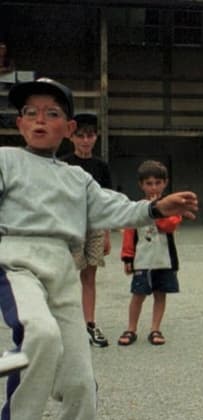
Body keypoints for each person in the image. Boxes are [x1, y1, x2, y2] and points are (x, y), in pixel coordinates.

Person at [0, 77, 198, 420]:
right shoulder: (6, 160)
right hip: (15, 258)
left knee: (80, 385)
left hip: (63, 266)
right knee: (41, 334)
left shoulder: (78, 179)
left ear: (69, 130)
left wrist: (157, 207)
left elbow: (114, 208)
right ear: (19, 123)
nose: (40, 120)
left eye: (53, 114)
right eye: (31, 113)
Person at [118, 160, 182, 347]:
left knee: (160, 294)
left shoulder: (172, 206)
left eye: (157, 183)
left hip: (164, 260)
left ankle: (155, 328)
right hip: (142, 260)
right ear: (141, 185)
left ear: (165, 183)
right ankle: (131, 328)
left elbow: (168, 226)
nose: (153, 187)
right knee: (138, 295)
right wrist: (127, 257)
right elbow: (129, 232)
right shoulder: (136, 207)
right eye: (148, 183)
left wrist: (157, 209)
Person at [62, 113, 113, 347]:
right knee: (62, 276)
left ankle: (89, 323)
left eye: (90, 135)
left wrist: (107, 234)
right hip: (68, 227)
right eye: (80, 136)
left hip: (93, 226)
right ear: (71, 136)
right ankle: (63, 325)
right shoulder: (62, 164)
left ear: (96, 137)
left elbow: (107, 201)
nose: (85, 140)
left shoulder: (101, 166)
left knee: (89, 277)